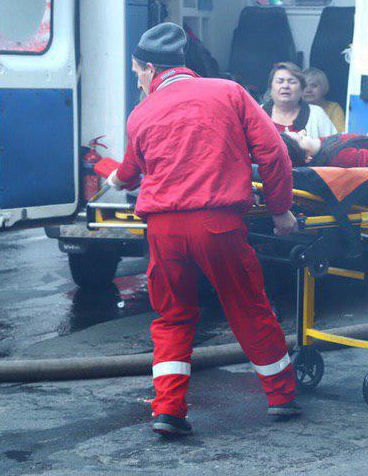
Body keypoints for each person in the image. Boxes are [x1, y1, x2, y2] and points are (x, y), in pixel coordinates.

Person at [106, 23, 302, 437]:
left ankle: (168, 410)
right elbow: (274, 154)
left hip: (163, 229)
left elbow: (130, 169)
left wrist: (113, 179)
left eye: (137, 73)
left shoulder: (141, 113)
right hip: (217, 223)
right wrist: (280, 210)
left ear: (149, 69)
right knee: (247, 305)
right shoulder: (228, 93)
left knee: (173, 315)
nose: (138, 82)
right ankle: (281, 396)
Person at [262, 62, 337, 138]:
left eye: (292, 82)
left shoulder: (316, 114)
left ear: (302, 89)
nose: (285, 86)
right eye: (280, 81)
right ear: (271, 88)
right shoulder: (258, 112)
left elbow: (334, 143)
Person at [303, 67, 346, 131]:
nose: (308, 90)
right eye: (304, 86)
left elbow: (339, 133)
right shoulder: (295, 108)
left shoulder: (333, 109)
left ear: (324, 87)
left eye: (314, 86)